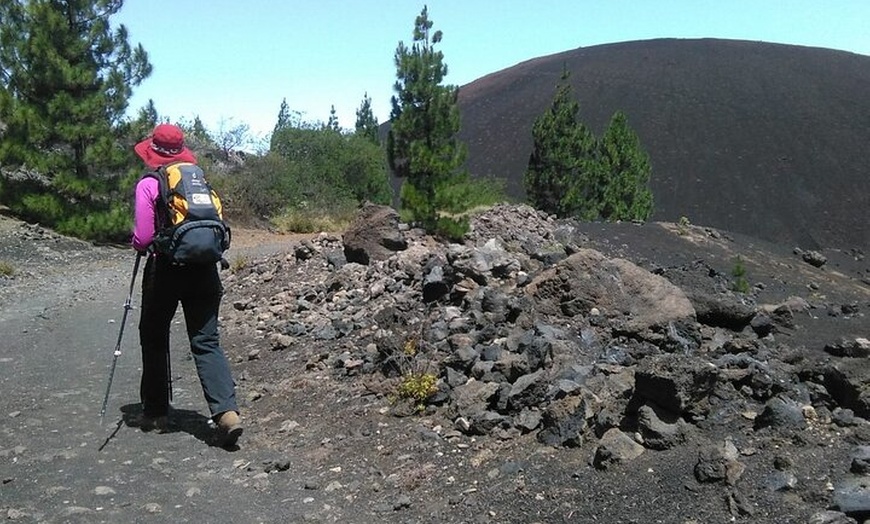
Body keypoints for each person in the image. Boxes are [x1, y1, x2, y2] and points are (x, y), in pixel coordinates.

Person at [131, 123, 242, 447]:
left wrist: (138, 245)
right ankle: (226, 413)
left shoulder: (151, 183)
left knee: (153, 334)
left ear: (153, 151)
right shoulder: (197, 180)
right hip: (206, 269)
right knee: (206, 341)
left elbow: (143, 238)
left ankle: (155, 411)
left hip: (166, 269)